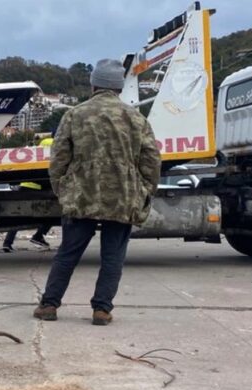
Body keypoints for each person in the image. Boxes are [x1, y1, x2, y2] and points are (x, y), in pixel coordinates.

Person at [33, 59, 161, 326]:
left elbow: (58, 159)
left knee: (68, 253)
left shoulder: (74, 115)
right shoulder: (136, 118)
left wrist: (61, 190)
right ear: (119, 88)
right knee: (113, 257)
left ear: (94, 85)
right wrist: (146, 191)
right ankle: (101, 310)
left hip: (82, 197)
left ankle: (49, 305)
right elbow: (151, 160)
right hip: (122, 198)